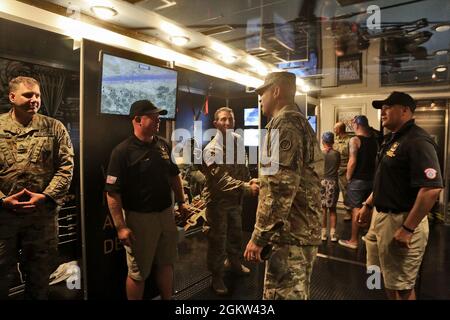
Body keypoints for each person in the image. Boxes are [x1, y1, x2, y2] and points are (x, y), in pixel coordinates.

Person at [244, 72, 323, 300]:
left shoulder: (284, 125)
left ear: (276, 91)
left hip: (290, 234)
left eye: (262, 93)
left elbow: (281, 189)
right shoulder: (298, 122)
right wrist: (264, 181)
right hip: (300, 229)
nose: (260, 99)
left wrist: (259, 237)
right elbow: (292, 176)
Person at [358, 92, 442, 300]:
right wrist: (368, 205)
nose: (382, 111)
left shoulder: (417, 141)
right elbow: (384, 179)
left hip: (401, 220)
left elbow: (432, 189)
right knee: (379, 276)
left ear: (405, 110)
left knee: (403, 286)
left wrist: (407, 228)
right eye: (381, 107)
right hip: (380, 217)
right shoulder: (391, 139)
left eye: (388, 106)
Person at [105, 99, 189, 300]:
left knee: (166, 263)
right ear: (137, 120)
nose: (158, 120)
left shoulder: (163, 145)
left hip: (165, 215)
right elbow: (112, 193)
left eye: (158, 116)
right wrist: (121, 227)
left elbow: (173, 175)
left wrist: (182, 201)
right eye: (152, 117)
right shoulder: (122, 152)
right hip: (140, 219)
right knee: (138, 272)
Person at [0, 76, 74, 299]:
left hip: (41, 218)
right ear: (12, 97)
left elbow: (66, 167)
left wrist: (45, 196)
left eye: (37, 96)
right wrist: (2, 199)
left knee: (40, 277)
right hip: (4, 217)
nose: (34, 100)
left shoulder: (54, 128)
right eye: (28, 95)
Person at [202, 107, 259, 295]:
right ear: (216, 123)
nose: (227, 123)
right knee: (218, 240)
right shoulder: (210, 150)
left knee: (235, 233)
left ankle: (234, 262)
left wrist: (249, 179)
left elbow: (242, 166)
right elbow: (221, 181)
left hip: (235, 200)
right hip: (217, 202)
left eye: (231, 119)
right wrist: (245, 188)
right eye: (223, 119)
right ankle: (217, 277)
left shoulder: (237, 140)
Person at [338, 115, 377, 249]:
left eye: (353, 124)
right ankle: (368, 236)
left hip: (358, 180)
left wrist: (348, 177)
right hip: (371, 179)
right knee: (368, 207)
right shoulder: (374, 140)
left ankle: (353, 240)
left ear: (357, 125)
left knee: (356, 208)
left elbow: (352, 161)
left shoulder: (354, 140)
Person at [320, 132, 340, 242]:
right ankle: (333, 234)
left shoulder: (320, 153)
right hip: (333, 182)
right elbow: (337, 167)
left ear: (323, 141)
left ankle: (323, 234)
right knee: (333, 209)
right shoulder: (336, 154)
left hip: (322, 182)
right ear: (332, 141)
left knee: (323, 209)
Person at [333, 122, 352, 221]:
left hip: (344, 170)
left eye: (335, 128)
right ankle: (332, 209)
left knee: (346, 192)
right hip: (335, 169)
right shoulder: (335, 140)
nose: (334, 130)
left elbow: (352, 157)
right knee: (333, 190)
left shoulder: (350, 141)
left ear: (340, 129)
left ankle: (348, 211)